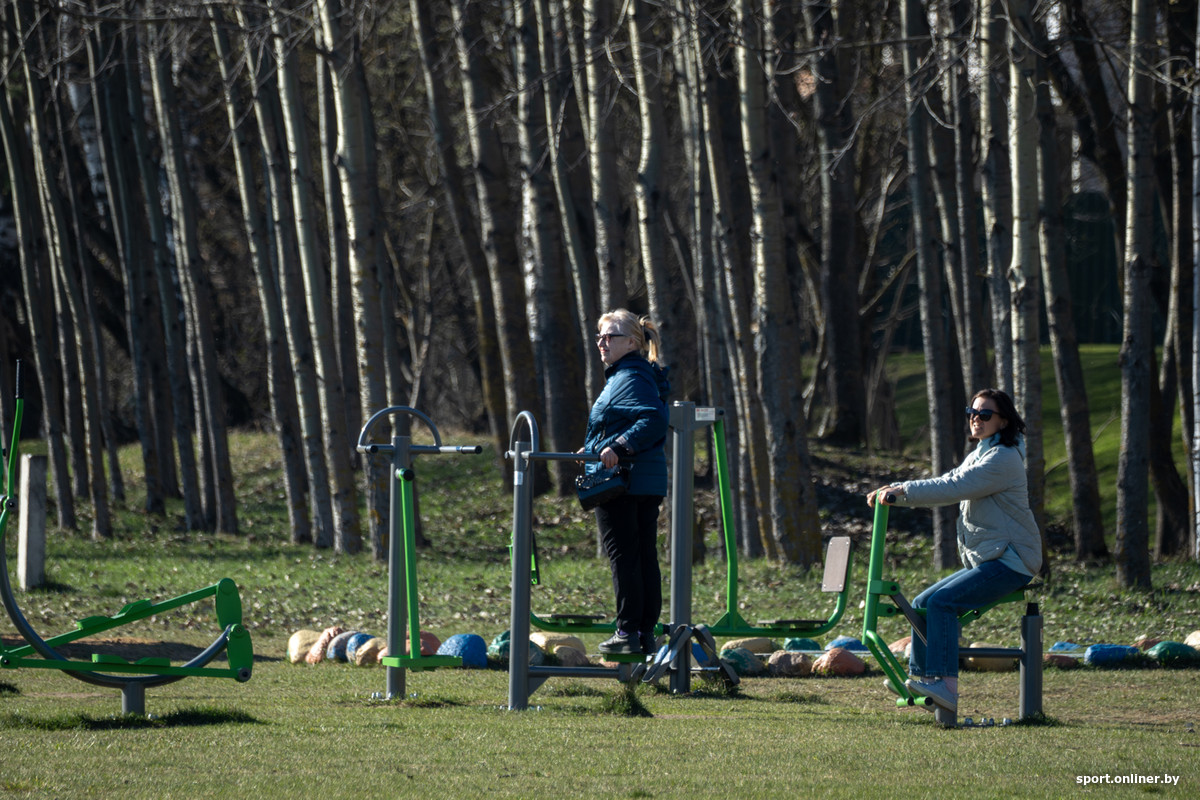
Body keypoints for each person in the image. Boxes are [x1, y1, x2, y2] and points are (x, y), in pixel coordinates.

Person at [866, 388, 1042, 712]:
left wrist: (903, 490)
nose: (976, 419)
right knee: (922, 603)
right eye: (971, 412)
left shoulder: (1003, 459)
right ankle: (923, 678)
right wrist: (897, 494)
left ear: (1003, 421)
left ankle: (945, 686)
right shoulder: (981, 453)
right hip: (992, 558)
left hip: (1013, 560)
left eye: (985, 414)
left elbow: (953, 487)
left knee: (943, 603)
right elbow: (950, 478)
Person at [581, 309, 670, 654]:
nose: (602, 343)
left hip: (623, 483)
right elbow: (625, 421)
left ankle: (627, 631)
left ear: (632, 342)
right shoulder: (632, 374)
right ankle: (643, 632)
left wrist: (618, 446)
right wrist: (594, 447)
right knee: (642, 555)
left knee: (625, 556)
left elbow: (652, 420)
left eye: (610, 336)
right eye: (599, 336)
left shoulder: (630, 376)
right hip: (642, 480)